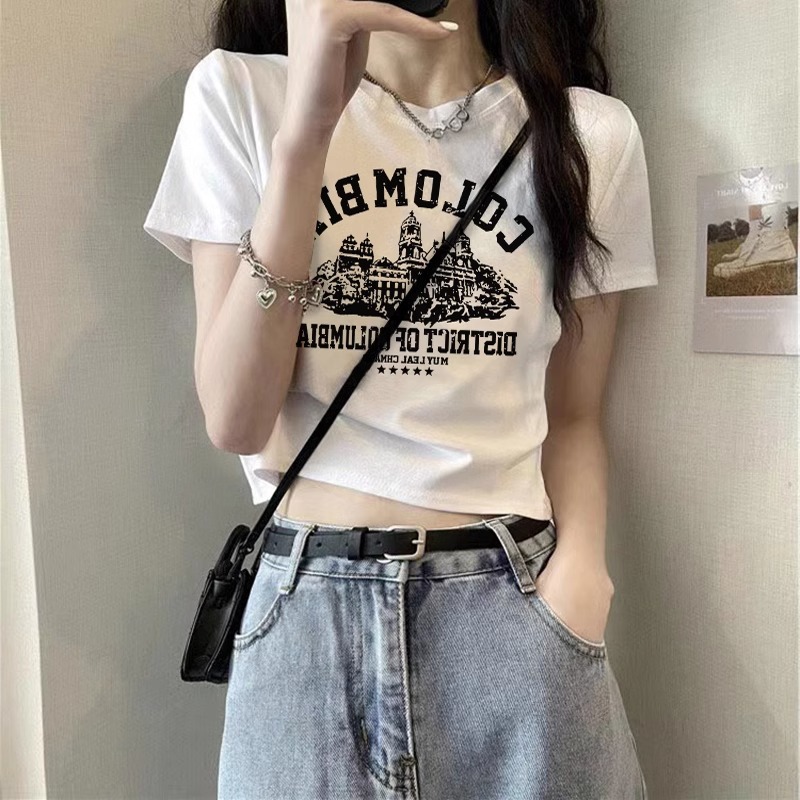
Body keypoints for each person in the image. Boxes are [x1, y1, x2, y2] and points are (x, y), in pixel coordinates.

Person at [143, 0, 658, 796]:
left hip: (514, 609)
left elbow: (578, 414)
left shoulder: (589, 134)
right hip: (305, 617)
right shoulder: (241, 94)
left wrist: (582, 578)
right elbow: (236, 418)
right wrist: (307, 130)